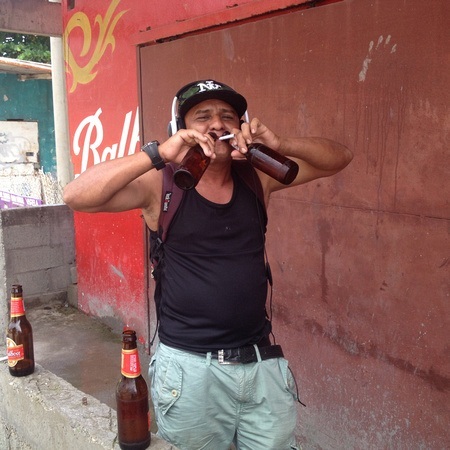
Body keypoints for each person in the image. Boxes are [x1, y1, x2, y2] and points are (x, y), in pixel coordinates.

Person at [64, 79, 353, 450]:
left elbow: (340, 158)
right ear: (179, 129)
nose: (217, 124)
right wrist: (158, 154)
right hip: (189, 370)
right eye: (203, 116)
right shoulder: (161, 184)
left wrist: (280, 145)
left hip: (260, 363)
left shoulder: (259, 176)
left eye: (227, 116)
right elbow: (76, 195)